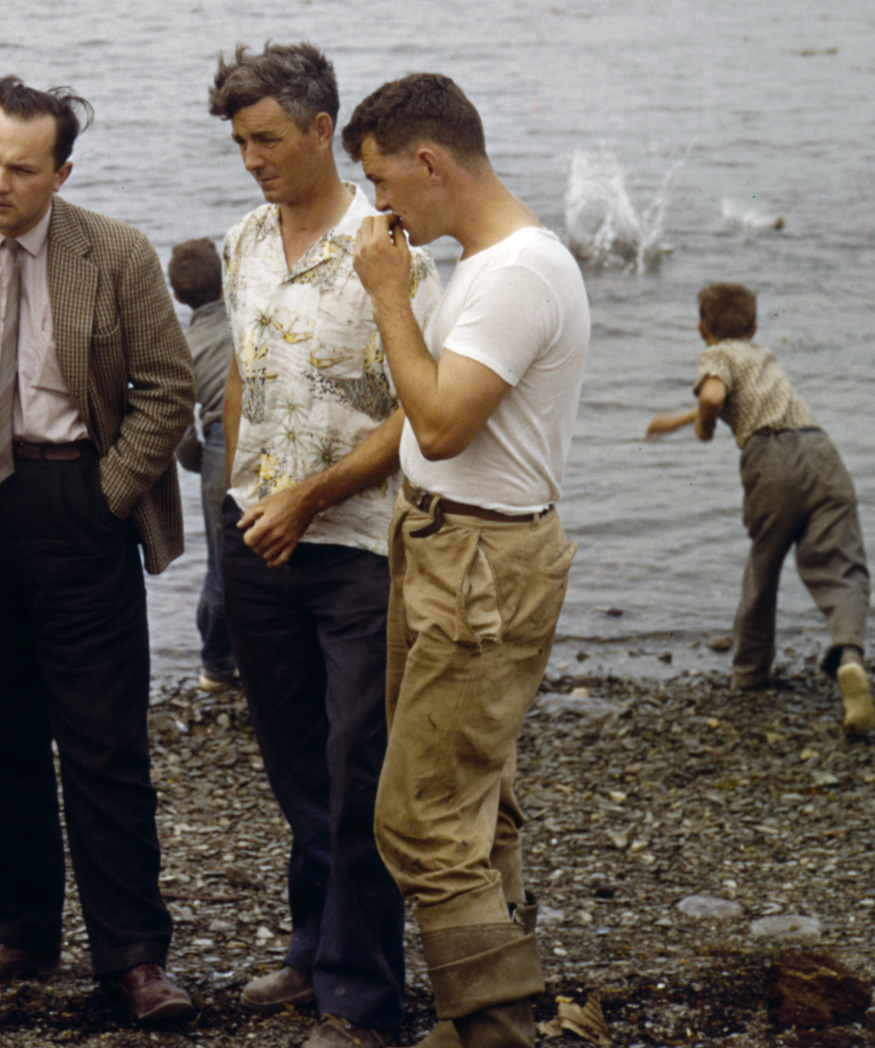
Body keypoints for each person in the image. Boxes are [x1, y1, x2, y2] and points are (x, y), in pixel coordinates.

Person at [0, 77, 197, 1027]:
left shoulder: (115, 254)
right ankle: (23, 929)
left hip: (75, 499)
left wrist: (104, 496)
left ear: (61, 171)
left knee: (105, 744)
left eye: (21, 169)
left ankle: (134, 957)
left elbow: (167, 387)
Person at [345, 73, 588, 1048]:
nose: (377, 206)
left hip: (479, 555)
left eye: (380, 181)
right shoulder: (494, 262)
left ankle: (493, 1027)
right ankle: (499, 1004)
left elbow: (440, 422)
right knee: (471, 798)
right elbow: (434, 412)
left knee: (418, 818)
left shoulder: (516, 272)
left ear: (429, 162)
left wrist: (385, 295)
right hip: (450, 541)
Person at [209, 43, 443, 1048]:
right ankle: (312, 944)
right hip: (255, 539)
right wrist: (239, 495)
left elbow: (419, 413)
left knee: (358, 767)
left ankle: (361, 999)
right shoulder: (242, 241)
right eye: (237, 141)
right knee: (296, 759)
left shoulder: (392, 247)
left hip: (356, 544)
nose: (251, 158)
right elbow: (241, 382)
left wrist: (312, 492)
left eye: (266, 138)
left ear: (317, 129)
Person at [643, 282, 875, 737]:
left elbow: (713, 397)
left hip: (770, 460)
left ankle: (750, 674)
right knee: (841, 564)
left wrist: (705, 427)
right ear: (752, 326)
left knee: (764, 563)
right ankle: (849, 655)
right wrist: (676, 422)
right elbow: (738, 399)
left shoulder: (717, 356)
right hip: (821, 451)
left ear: (701, 330)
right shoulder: (763, 355)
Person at [166, 238, 238, 692]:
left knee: (220, 563)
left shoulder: (184, 345)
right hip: (266, 436)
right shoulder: (250, 322)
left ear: (176, 296)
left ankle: (214, 666)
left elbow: (179, 426)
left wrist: (197, 461)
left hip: (218, 447)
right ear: (227, 280)